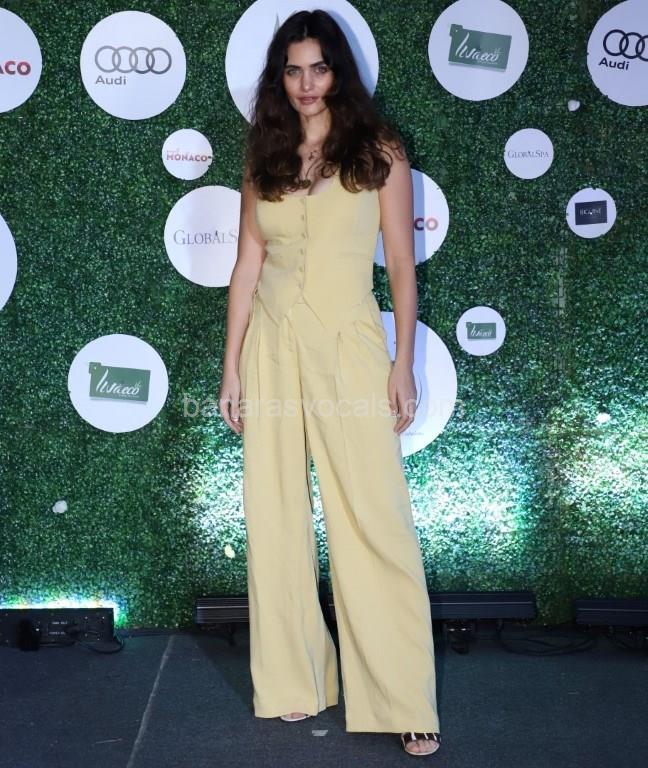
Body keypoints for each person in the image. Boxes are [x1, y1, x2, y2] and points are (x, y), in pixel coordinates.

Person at [219, 9, 441, 758]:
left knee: (373, 517)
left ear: (338, 71)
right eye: (293, 69)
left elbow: (402, 265)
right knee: (274, 514)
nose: (306, 83)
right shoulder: (265, 154)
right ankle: (296, 679)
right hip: (271, 348)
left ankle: (404, 698)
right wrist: (231, 365)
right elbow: (247, 265)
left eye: (318, 67)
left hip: (349, 345)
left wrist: (401, 363)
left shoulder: (379, 151)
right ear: (279, 78)